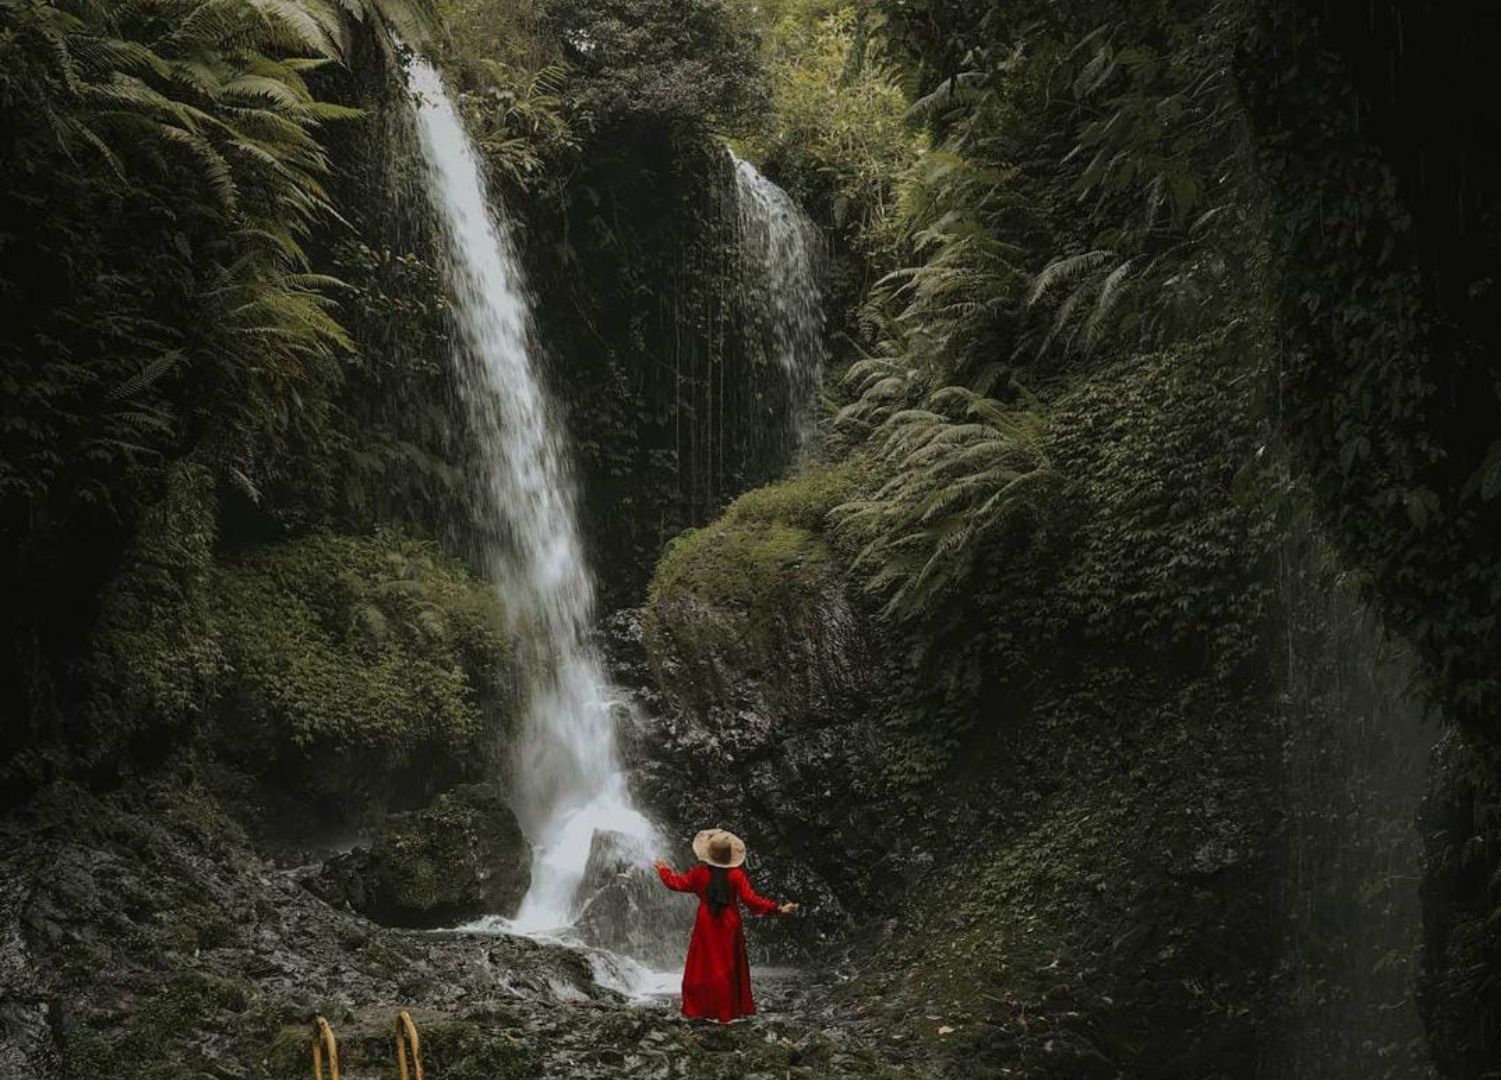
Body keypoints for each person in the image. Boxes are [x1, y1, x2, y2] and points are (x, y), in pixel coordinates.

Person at [654, 828, 797, 1023]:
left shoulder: (699, 874)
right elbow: (751, 900)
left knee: (703, 965)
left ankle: (700, 1009)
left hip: (706, 922)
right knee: (727, 966)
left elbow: (676, 883)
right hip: (729, 922)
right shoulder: (736, 876)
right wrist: (778, 908)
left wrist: (663, 870)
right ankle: (727, 1012)